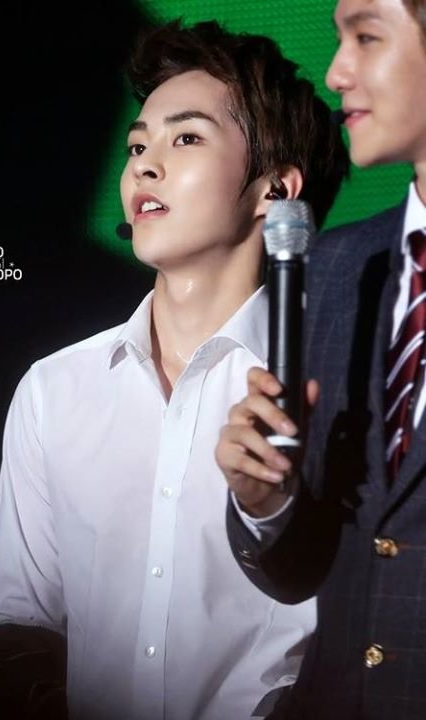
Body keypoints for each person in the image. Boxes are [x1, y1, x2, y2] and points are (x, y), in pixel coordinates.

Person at [0, 19, 349, 720]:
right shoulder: (53, 390)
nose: (144, 166)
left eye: (185, 139)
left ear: (275, 189)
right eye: (137, 145)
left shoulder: (338, 385)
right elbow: (21, 618)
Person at [216, 1, 426, 719]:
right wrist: (268, 503)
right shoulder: (337, 266)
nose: (337, 72)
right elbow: (309, 570)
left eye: (366, 36)